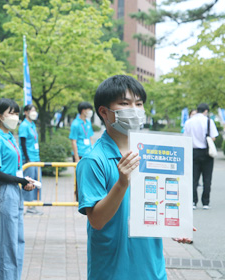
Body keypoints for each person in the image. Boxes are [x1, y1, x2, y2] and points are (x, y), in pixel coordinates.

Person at [77, 75, 192, 280]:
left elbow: (155, 204)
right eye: (125, 103)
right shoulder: (93, 160)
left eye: (139, 104)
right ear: (104, 112)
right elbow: (97, 221)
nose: (135, 110)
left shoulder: (151, 154)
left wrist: (173, 223)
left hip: (152, 270)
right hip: (112, 272)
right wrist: (122, 183)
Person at [0, 98, 36, 279]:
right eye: (10, 113)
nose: (14, 117)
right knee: (4, 246)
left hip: (14, 191)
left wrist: (23, 180)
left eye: (16, 113)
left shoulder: (9, 137)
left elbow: (12, 169)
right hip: (3, 193)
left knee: (16, 242)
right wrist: (20, 180)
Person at [184, 103, 218, 210]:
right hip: (207, 152)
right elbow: (213, 137)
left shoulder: (189, 122)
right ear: (206, 111)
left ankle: (193, 202)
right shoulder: (209, 121)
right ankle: (205, 202)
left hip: (193, 152)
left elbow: (186, 138)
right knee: (207, 178)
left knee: (193, 178)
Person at [19, 104, 42, 214]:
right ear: (26, 112)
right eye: (31, 110)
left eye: (35, 110)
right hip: (29, 159)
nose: (34, 112)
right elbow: (23, 143)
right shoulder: (24, 125)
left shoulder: (32, 124)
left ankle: (32, 205)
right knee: (29, 182)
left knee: (36, 181)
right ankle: (27, 205)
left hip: (36, 158)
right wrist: (27, 158)